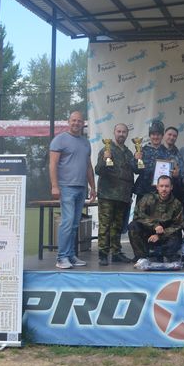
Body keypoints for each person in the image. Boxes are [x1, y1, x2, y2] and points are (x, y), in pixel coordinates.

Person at [49, 111, 96, 269]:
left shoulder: (85, 143)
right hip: (66, 187)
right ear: (68, 122)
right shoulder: (60, 139)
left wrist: (93, 187)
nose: (76, 123)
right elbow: (53, 164)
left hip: (81, 188)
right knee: (67, 222)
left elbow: (88, 166)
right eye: (73, 120)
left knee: (75, 224)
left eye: (79, 121)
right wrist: (54, 186)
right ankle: (61, 257)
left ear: (83, 123)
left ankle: (70, 255)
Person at [94, 123, 135, 266]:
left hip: (123, 195)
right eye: (119, 131)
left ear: (127, 134)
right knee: (105, 225)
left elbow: (133, 171)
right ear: (114, 132)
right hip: (107, 194)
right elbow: (98, 170)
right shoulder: (106, 149)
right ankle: (103, 254)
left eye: (124, 132)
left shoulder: (129, 153)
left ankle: (116, 252)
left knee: (117, 226)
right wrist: (105, 159)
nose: (121, 134)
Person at [128, 175, 184, 262]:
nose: (164, 189)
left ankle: (163, 254)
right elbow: (138, 215)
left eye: (167, 186)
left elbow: (178, 225)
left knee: (176, 237)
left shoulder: (177, 204)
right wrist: (155, 225)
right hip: (148, 232)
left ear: (171, 187)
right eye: (161, 186)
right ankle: (141, 257)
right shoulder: (147, 198)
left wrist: (160, 235)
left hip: (165, 234)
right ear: (157, 187)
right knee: (133, 226)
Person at [133, 120, 172, 204]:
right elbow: (135, 170)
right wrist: (136, 160)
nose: (156, 137)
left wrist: (174, 172)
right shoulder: (142, 150)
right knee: (140, 213)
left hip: (161, 193)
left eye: (158, 134)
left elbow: (171, 174)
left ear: (162, 136)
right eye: (153, 134)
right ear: (150, 135)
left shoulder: (168, 153)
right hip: (143, 192)